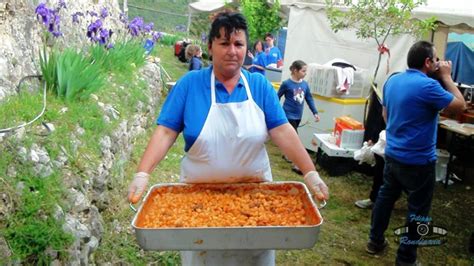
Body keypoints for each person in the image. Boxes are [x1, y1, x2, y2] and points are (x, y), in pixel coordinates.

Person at [127, 12, 329, 266]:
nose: (232, 51)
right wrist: (143, 173)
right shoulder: (189, 84)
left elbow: (283, 132)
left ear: (246, 48)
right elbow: (166, 131)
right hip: (196, 204)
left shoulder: (259, 86)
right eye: (224, 43)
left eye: (238, 44)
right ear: (210, 46)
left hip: (256, 201)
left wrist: (310, 173)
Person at [366, 41, 466, 265]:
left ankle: (375, 241)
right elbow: (460, 106)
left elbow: (385, 115)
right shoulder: (429, 87)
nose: (439, 63)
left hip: (393, 154)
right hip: (419, 161)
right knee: (418, 210)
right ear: (428, 62)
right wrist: (447, 76)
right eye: (436, 59)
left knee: (385, 198)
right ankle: (406, 259)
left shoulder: (393, 80)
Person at [277, 60, 320, 175]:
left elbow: (309, 98)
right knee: (295, 137)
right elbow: (277, 97)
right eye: (303, 71)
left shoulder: (304, 84)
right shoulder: (286, 84)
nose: (305, 73)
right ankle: (297, 162)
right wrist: (276, 111)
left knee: (291, 136)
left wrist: (315, 112)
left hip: (298, 115)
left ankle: (287, 154)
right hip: (288, 114)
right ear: (295, 71)